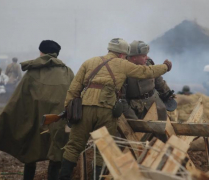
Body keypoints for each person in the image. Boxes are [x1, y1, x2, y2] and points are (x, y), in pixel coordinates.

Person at [59, 38, 172, 180]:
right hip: (106, 111)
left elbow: (73, 90)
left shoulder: (89, 62)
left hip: (84, 109)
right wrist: (165, 67)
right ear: (121, 54)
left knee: (73, 147)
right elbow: (146, 72)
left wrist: (68, 111)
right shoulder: (123, 64)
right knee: (104, 148)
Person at [0, 40, 74, 180]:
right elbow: (74, 96)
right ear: (57, 54)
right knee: (56, 154)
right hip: (58, 121)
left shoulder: (32, 72)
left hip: (35, 121)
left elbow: (18, 99)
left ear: (41, 52)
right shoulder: (67, 72)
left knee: (31, 151)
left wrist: (5, 118)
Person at [122, 40, 172, 141]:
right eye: (143, 56)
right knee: (140, 138)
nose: (146, 57)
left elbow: (158, 80)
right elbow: (122, 99)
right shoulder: (123, 70)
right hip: (137, 109)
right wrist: (133, 119)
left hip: (156, 105)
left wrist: (167, 94)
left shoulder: (148, 63)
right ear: (133, 57)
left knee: (163, 134)